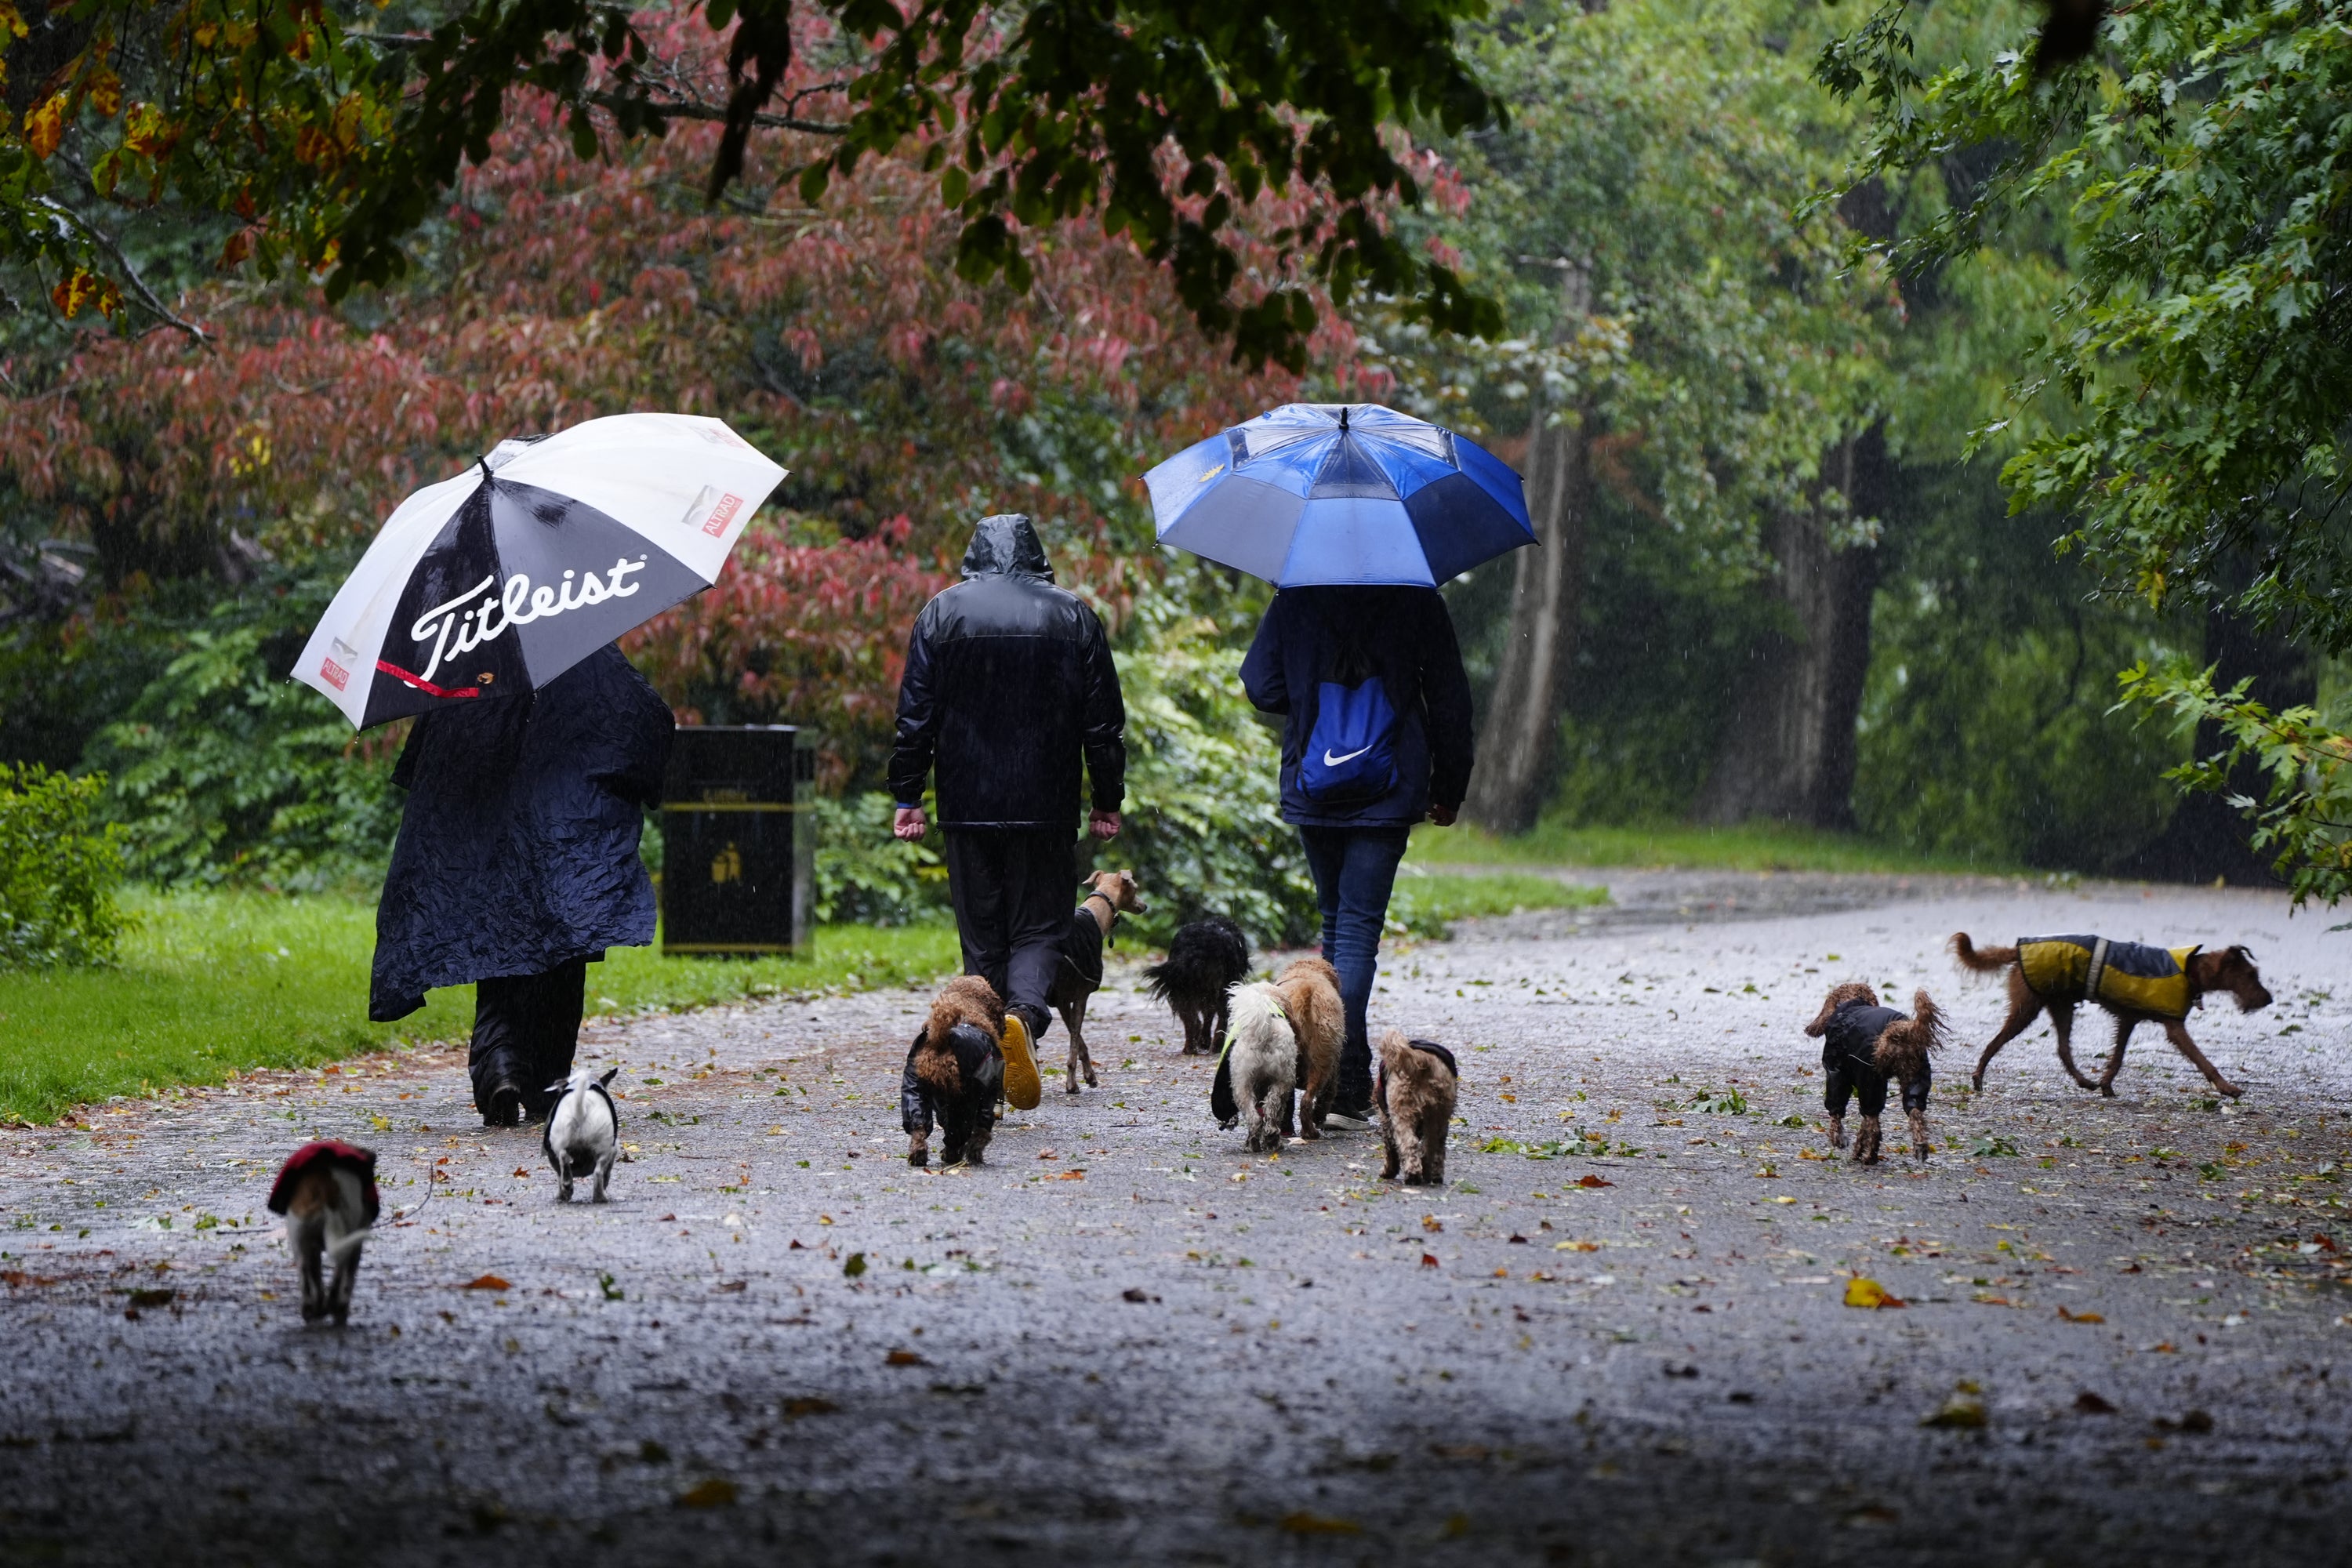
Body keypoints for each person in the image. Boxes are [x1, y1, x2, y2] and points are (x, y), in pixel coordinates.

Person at [370, 643, 673, 1127]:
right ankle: (544, 1077)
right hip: (569, 827)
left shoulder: (473, 659)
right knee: (563, 944)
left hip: (495, 828)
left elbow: (426, 761)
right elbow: (644, 725)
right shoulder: (583, 642)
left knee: (501, 936)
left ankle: (501, 1062)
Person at [888, 514, 1126, 1109]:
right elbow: (1103, 724)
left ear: (974, 554)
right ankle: (1022, 1017)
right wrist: (1106, 798)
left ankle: (987, 1053)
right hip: (1046, 807)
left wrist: (908, 794)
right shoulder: (1073, 615)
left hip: (967, 807)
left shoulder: (941, 613)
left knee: (983, 936)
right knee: (1042, 928)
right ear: (1037, 555)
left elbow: (914, 716)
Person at [1242, 586, 1473, 1125]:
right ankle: (1342, 1081)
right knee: (1356, 933)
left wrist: (1310, 696)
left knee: (1336, 924)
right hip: (1388, 786)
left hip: (1315, 777)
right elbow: (1449, 697)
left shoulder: (1296, 596)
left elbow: (1260, 684)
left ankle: (1339, 1078)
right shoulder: (1415, 596)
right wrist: (1449, 785)